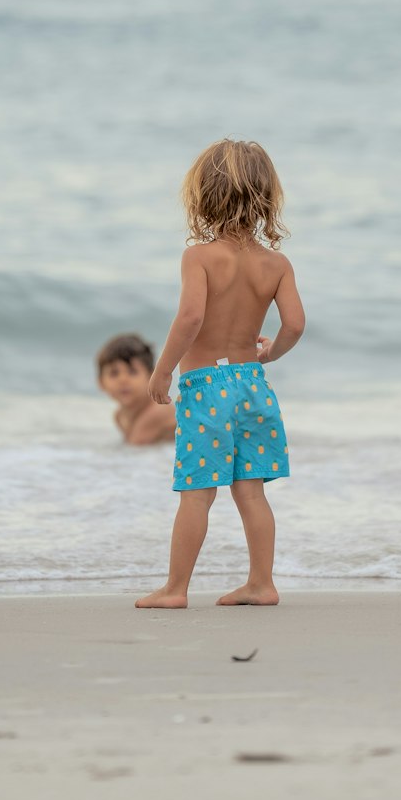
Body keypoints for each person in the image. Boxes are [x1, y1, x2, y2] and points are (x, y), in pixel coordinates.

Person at [135, 139, 305, 609]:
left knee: (196, 494)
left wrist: (162, 371)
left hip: (205, 386)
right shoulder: (277, 264)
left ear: (204, 197)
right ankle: (261, 583)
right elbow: (294, 324)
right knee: (251, 492)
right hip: (253, 385)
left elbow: (190, 319)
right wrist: (268, 356)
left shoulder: (200, 257)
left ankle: (175, 589)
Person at [96, 333, 175, 446]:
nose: (123, 380)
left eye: (132, 372)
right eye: (114, 373)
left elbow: (135, 450)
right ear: (101, 382)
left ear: (151, 376)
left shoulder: (157, 411)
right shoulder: (119, 416)